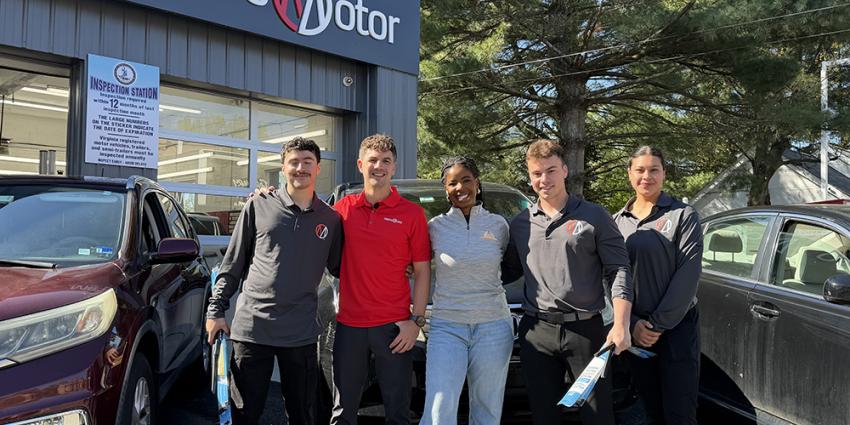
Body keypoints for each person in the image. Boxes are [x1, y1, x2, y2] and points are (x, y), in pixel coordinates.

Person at [205, 137, 343, 425]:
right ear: (283, 168)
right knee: (244, 414)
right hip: (253, 329)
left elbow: (344, 268)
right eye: (294, 162)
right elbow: (233, 264)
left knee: (303, 416)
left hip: (301, 334)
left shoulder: (331, 219)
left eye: (308, 162)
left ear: (318, 168)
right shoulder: (258, 206)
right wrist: (215, 310)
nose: (300, 168)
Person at [501, 139, 633, 425]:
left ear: (564, 170)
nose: (544, 179)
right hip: (536, 331)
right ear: (530, 176)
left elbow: (619, 270)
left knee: (597, 416)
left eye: (550, 171)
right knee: (543, 416)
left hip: (586, 333)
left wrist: (621, 325)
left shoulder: (594, 216)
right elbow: (506, 271)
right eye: (537, 174)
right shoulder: (521, 223)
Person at [331, 134, 431, 425]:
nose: (379, 166)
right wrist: (269, 196)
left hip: (394, 328)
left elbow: (423, 271)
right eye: (373, 160)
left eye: (386, 161)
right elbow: (305, 215)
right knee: (343, 413)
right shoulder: (342, 210)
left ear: (394, 167)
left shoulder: (412, 214)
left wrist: (417, 321)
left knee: (398, 413)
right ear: (361, 164)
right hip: (349, 325)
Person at [612, 146, 703, 425]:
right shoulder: (616, 222)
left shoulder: (683, 215)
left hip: (675, 329)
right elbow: (612, 278)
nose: (646, 176)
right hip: (636, 331)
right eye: (640, 170)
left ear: (664, 174)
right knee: (649, 409)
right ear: (629, 174)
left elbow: (687, 276)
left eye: (654, 170)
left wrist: (656, 325)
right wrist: (634, 323)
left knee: (679, 412)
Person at [420, 156, 514, 425]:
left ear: (477, 183)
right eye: (452, 183)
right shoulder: (435, 227)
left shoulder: (499, 225)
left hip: (494, 327)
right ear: (445, 190)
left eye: (466, 180)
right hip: (447, 326)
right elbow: (417, 266)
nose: (460, 187)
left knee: (487, 408)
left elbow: (509, 267)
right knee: (439, 410)